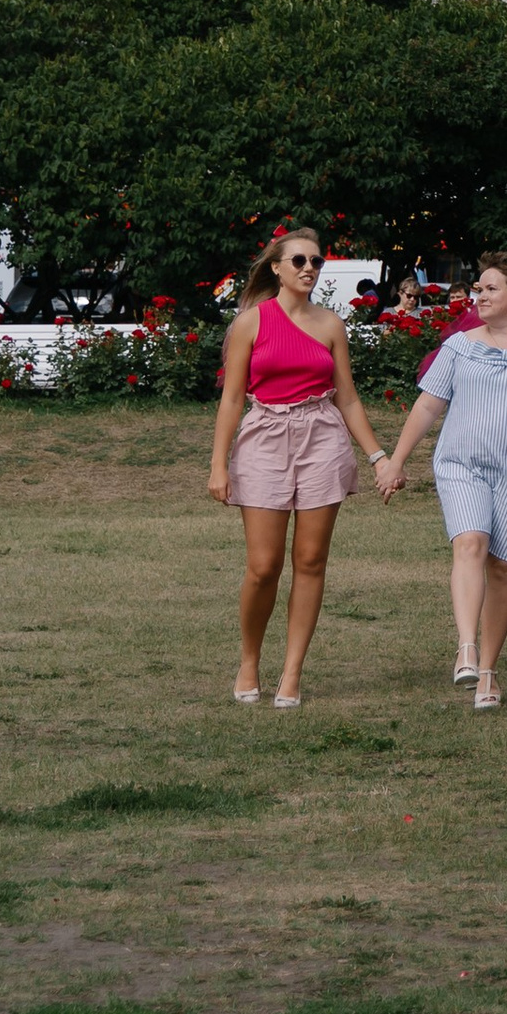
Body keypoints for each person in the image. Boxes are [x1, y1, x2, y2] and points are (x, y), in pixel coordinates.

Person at [374, 251, 507, 709]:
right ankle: (466, 647)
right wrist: (395, 462)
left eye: (490, 289)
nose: (479, 296)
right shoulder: (459, 347)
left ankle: (488, 671)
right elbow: (428, 405)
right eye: (479, 289)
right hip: (461, 463)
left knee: (504, 568)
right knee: (470, 542)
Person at [208, 224, 390, 709]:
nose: (309, 268)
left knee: (310, 561)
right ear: (276, 267)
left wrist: (378, 456)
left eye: (316, 261)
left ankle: (291, 673)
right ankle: (249, 661)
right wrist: (219, 465)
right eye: (299, 260)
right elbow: (231, 400)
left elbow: (348, 399)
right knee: (263, 566)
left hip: (322, 438)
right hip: (264, 437)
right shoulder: (250, 323)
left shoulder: (330, 324)